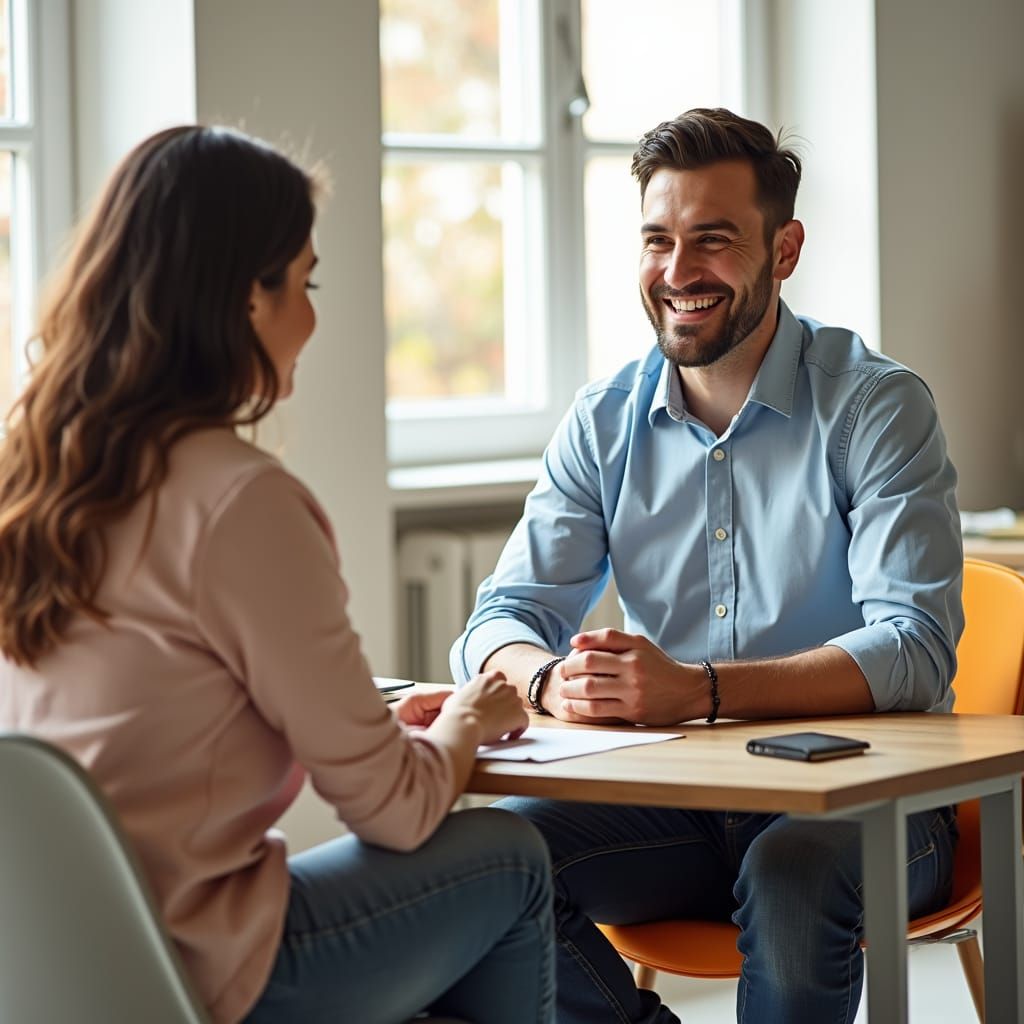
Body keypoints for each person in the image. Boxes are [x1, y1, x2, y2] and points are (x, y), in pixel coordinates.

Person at [0, 125, 555, 1024]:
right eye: (305, 280)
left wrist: (363, 722)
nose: (312, 315)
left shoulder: (32, 480)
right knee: (508, 855)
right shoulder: (240, 502)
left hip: (53, 973)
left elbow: (152, 709)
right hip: (202, 972)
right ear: (242, 301)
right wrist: (462, 720)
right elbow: (399, 815)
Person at [450, 107, 963, 1024]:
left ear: (786, 248)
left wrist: (703, 690)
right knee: (483, 858)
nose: (678, 273)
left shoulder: (877, 407)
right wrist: (548, 683)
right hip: (676, 801)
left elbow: (915, 647)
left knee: (795, 868)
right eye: (658, 240)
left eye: (713, 241)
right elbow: (499, 619)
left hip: (869, 803)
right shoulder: (602, 420)